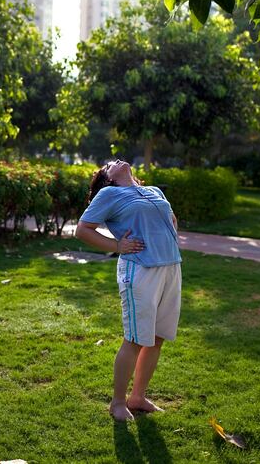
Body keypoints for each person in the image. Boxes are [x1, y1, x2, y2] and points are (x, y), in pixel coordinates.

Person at [75, 159, 182, 422]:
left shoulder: (154, 191)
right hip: (140, 270)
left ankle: (138, 397)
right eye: (109, 164)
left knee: (157, 338)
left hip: (170, 266)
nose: (116, 161)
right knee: (135, 339)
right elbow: (82, 229)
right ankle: (118, 402)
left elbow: (171, 220)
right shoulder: (109, 193)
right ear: (107, 178)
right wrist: (117, 246)